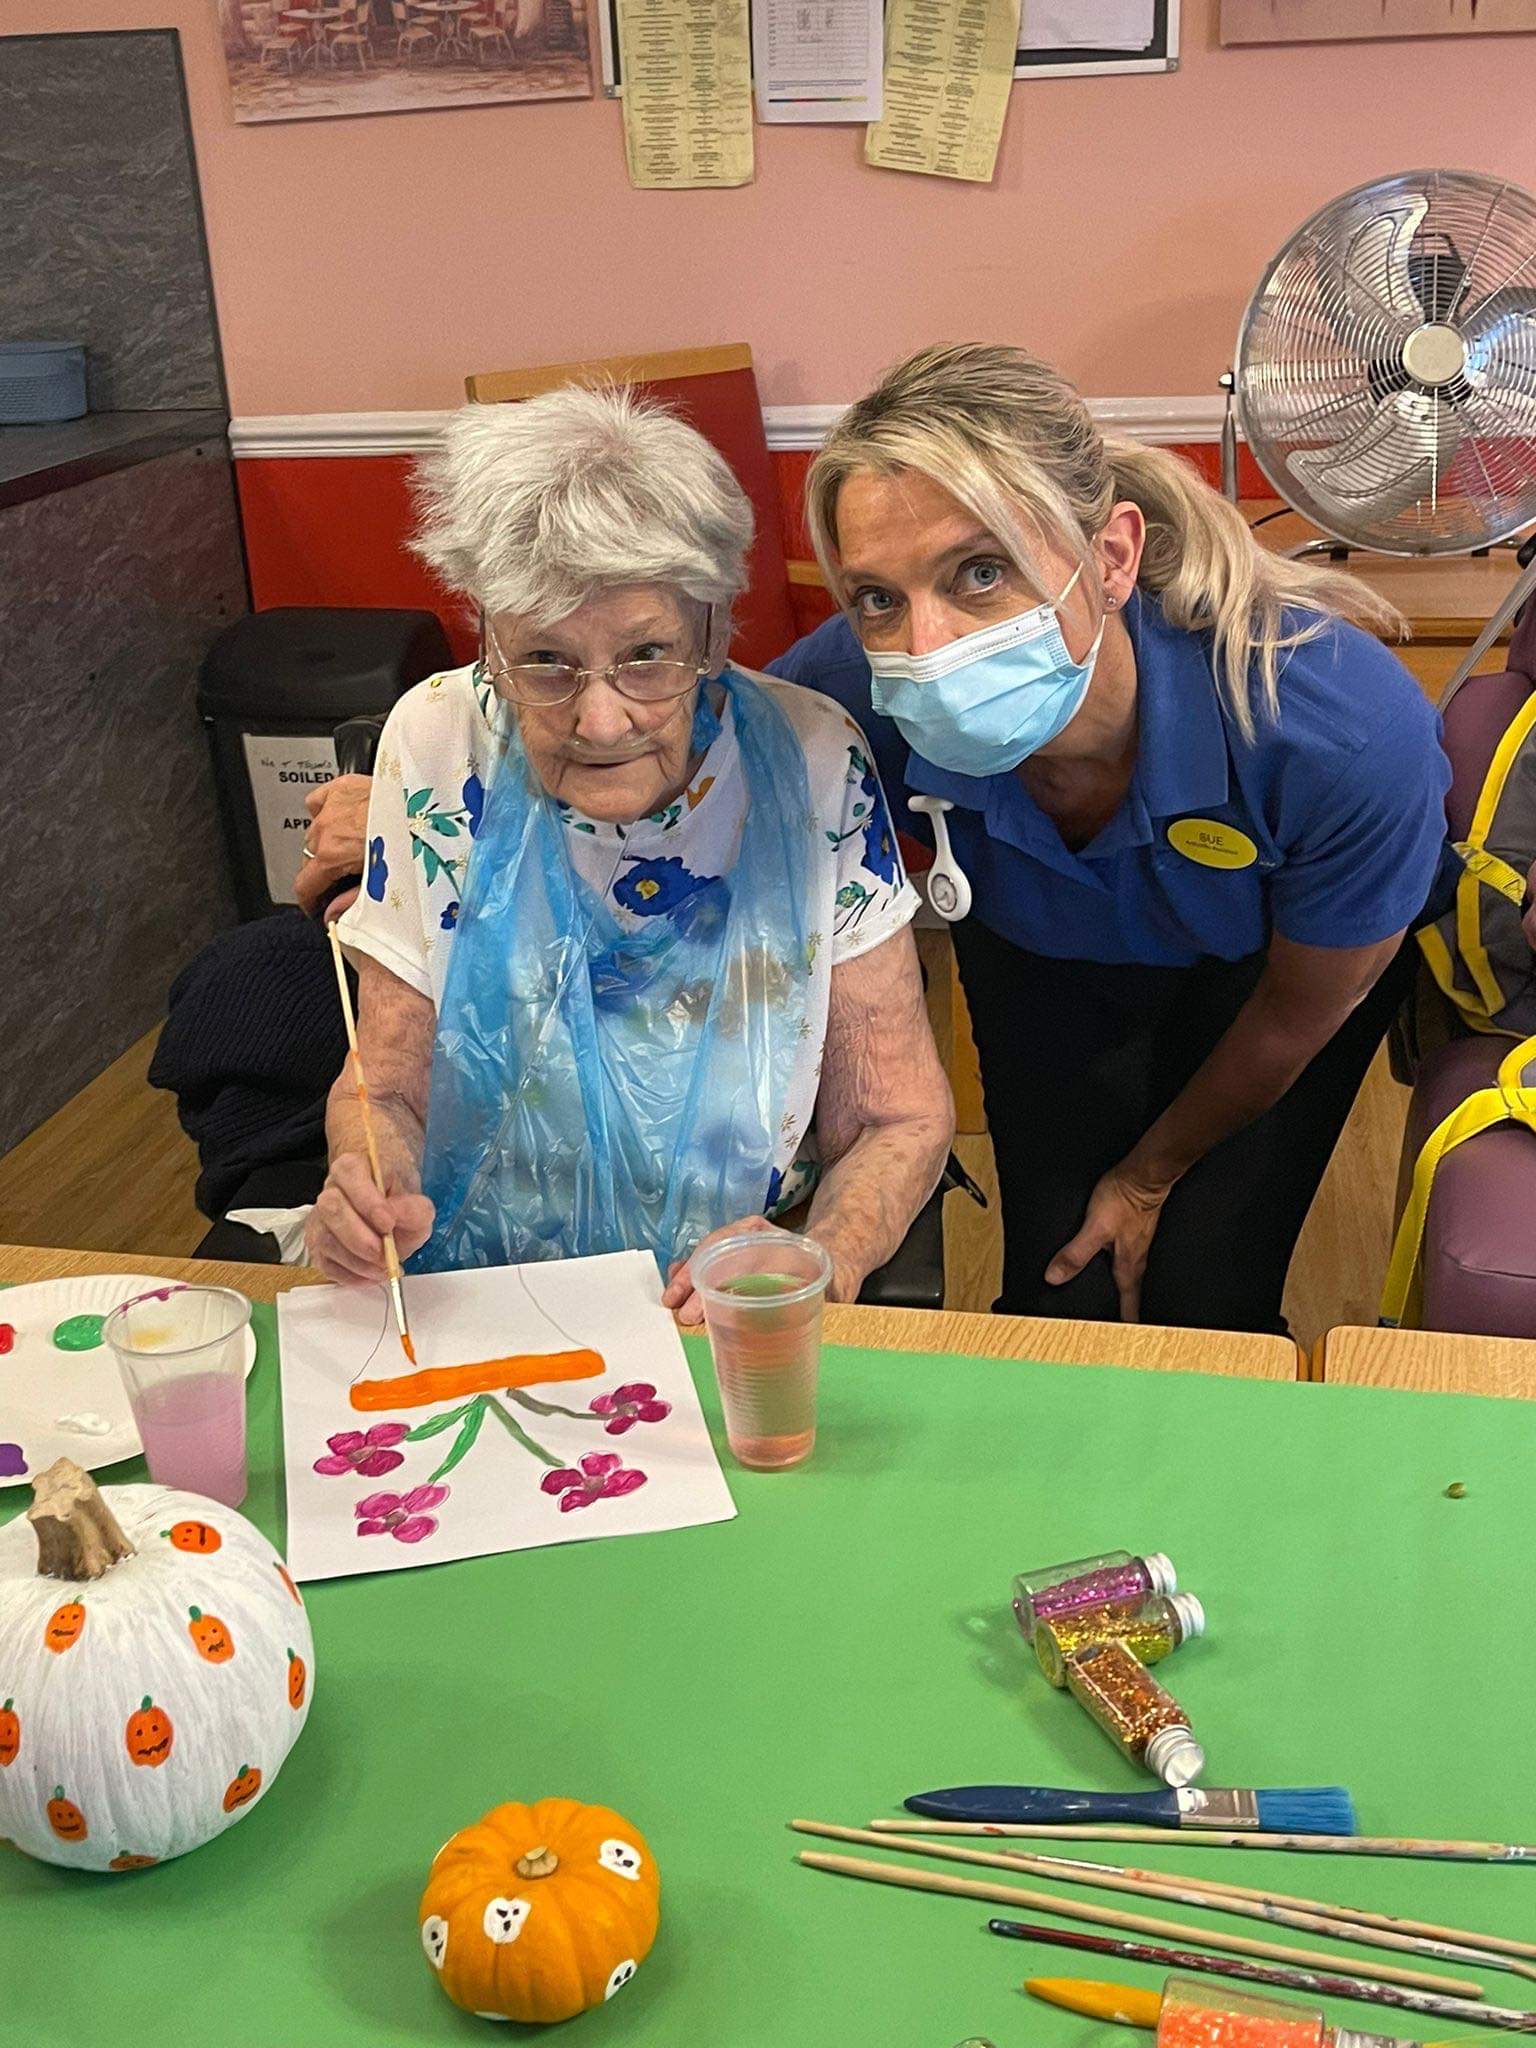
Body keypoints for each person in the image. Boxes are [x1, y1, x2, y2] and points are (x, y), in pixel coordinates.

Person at [768, 343, 1458, 1335]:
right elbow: (698, 769)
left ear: (1112, 557)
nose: (927, 648)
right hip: (1041, 948)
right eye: (878, 596)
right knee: (1062, 1290)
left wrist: (1146, 1177)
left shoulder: (1334, 729)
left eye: (981, 571)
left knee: (1205, 1302)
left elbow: (1304, 1005)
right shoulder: (842, 694)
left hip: (1274, 974)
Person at [305, 386, 954, 1324]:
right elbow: (390, 1089)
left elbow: (900, 1116)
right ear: (487, 634)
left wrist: (821, 1257)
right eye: (545, 661)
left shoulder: (813, 758)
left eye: (648, 654)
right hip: (469, 1285)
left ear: (714, 632)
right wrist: (367, 1181)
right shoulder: (437, 739)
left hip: (729, 1293)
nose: (601, 719)